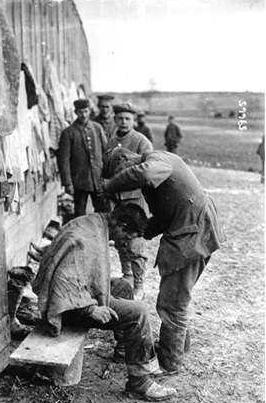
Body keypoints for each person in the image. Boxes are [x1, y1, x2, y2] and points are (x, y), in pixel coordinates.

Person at [32, 203, 176, 401]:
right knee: (138, 312)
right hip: (66, 309)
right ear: (120, 225)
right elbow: (64, 281)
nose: (125, 243)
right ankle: (139, 383)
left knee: (123, 286)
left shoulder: (94, 223)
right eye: (127, 236)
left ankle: (124, 349)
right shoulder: (85, 238)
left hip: (73, 298)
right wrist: (90, 309)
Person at [104, 148, 226, 374]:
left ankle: (170, 363)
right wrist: (140, 230)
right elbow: (164, 216)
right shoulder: (155, 174)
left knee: (172, 304)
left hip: (192, 232)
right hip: (191, 228)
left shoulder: (156, 159)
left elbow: (146, 174)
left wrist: (110, 185)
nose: (119, 176)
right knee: (177, 297)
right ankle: (177, 347)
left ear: (124, 159)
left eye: (116, 170)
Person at [103, 102, 153, 301]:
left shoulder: (142, 142)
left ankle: (139, 283)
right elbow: (105, 170)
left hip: (136, 200)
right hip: (117, 201)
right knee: (120, 241)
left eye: (128, 119)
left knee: (134, 244)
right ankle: (127, 276)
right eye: (120, 118)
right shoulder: (111, 141)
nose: (123, 122)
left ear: (133, 121)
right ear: (115, 120)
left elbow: (150, 171)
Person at [57, 98, 107, 217]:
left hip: (97, 180)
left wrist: (107, 177)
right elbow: (63, 161)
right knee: (79, 213)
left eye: (85, 111)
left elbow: (107, 153)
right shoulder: (68, 133)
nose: (83, 115)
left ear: (90, 111)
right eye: (80, 112)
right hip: (79, 181)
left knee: (102, 212)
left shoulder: (97, 128)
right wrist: (68, 183)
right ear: (75, 112)